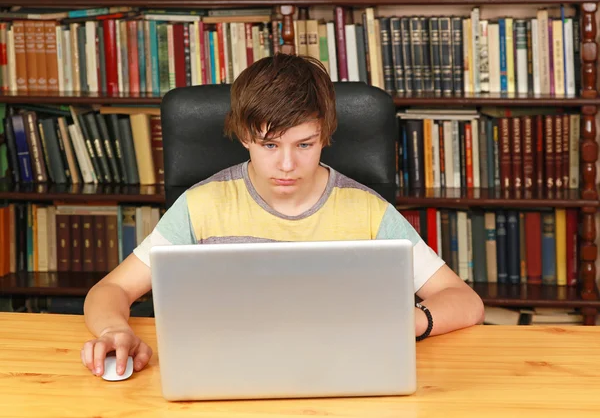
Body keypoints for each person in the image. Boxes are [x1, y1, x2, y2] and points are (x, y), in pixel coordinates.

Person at [81, 53, 485, 378]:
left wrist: (409, 322)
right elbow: (110, 291)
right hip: (225, 371)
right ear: (243, 135)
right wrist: (115, 330)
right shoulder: (201, 205)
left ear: (326, 134)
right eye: (269, 145)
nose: (287, 164)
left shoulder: (367, 211)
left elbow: (464, 302)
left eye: (305, 144)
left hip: (341, 370)